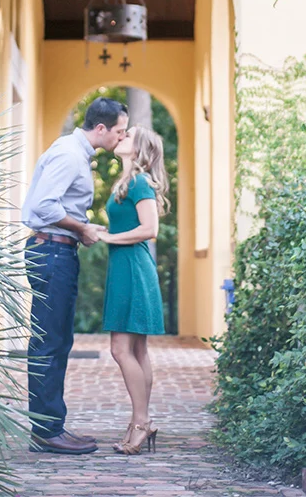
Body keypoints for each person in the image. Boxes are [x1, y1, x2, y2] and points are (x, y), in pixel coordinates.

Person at [21, 97, 128, 455]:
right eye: (119, 131)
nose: (121, 138)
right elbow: (43, 206)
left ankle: (51, 426)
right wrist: (81, 228)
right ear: (101, 128)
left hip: (57, 251)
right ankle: (46, 432)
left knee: (57, 341)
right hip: (52, 252)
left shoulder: (76, 153)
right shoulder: (69, 155)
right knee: (49, 343)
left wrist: (81, 229)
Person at [97, 125, 169, 456]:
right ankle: (140, 421)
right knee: (137, 351)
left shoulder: (140, 182)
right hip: (126, 267)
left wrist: (109, 238)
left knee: (121, 349)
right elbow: (128, 224)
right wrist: (103, 231)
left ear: (138, 148)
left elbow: (150, 228)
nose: (121, 136)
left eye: (128, 135)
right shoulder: (127, 181)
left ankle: (141, 421)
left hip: (133, 269)